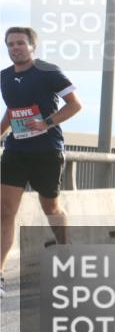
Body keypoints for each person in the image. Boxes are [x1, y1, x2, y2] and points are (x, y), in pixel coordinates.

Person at [0, 27, 82, 298]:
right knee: (5, 211)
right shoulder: (4, 77)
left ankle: (65, 249)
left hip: (46, 150)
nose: (15, 48)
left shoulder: (48, 72)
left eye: (20, 43)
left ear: (32, 46)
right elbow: (12, 111)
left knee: (51, 207)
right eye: (10, 44)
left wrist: (46, 122)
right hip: (15, 150)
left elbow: (75, 105)